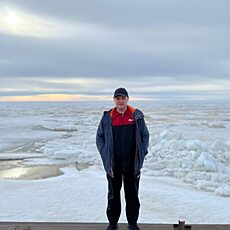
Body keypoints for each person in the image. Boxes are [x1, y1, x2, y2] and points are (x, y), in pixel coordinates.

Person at [96, 88, 149, 230]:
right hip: (114, 164)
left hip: (132, 164)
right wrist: (104, 152)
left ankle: (132, 224)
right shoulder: (108, 117)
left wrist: (142, 152)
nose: (120, 101)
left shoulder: (136, 116)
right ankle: (113, 224)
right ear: (114, 100)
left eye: (123, 98)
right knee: (113, 195)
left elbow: (145, 136)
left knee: (132, 195)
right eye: (117, 98)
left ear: (127, 99)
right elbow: (99, 137)